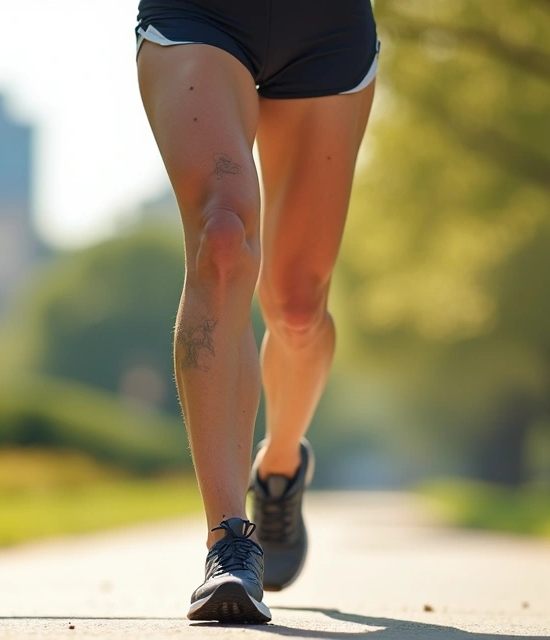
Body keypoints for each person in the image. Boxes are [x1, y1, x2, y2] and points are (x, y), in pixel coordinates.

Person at [134, 0, 378, 625]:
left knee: (298, 307)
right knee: (222, 235)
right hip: (199, 15)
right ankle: (230, 542)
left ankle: (280, 465)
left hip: (327, 25)